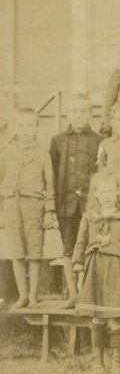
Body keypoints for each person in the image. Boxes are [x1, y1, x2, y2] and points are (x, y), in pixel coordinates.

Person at [72, 172, 120, 374]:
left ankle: (117, 362)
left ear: (117, 193)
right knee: (96, 318)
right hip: (94, 269)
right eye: (102, 191)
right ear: (96, 194)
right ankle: (97, 362)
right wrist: (79, 271)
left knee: (114, 318)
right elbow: (80, 244)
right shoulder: (89, 218)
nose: (107, 195)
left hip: (116, 270)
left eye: (110, 191)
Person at [2, 109, 57, 308]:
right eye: (21, 126)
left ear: (36, 128)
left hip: (34, 204)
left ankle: (33, 296)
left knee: (34, 251)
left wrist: (49, 209)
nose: (25, 130)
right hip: (11, 204)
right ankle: (22, 296)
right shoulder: (7, 151)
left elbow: (49, 183)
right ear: (16, 128)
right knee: (17, 251)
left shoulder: (43, 153)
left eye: (30, 126)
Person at [50, 94, 101, 307]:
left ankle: (88, 293)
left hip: (90, 205)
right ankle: (73, 295)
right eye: (74, 111)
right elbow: (52, 175)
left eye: (83, 111)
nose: (79, 115)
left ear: (89, 113)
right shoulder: (57, 141)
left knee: (91, 247)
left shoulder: (98, 140)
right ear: (68, 114)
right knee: (68, 249)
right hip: (66, 205)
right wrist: (52, 207)